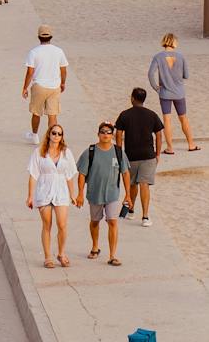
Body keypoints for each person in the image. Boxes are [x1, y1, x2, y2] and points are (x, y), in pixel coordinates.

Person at [24, 122, 79, 268]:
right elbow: (33, 175)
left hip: (61, 191)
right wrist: (30, 196)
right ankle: (48, 257)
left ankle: (61, 253)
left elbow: (69, 175)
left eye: (59, 134)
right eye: (54, 133)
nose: (56, 136)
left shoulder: (67, 152)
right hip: (44, 190)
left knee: (62, 224)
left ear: (62, 137)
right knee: (47, 224)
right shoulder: (39, 152)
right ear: (49, 134)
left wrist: (73, 194)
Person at [113, 87, 166, 226]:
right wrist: (158, 153)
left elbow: (118, 133)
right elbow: (159, 134)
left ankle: (131, 210)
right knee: (144, 185)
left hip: (130, 155)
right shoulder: (152, 114)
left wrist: (119, 152)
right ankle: (145, 217)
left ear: (132, 98)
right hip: (148, 155)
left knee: (132, 184)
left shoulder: (125, 114)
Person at [79, 122, 127, 265]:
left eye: (108, 132)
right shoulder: (90, 151)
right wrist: (80, 194)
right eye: (103, 132)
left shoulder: (118, 152)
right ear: (98, 134)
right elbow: (82, 174)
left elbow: (125, 173)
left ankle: (112, 255)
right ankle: (95, 246)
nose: (106, 135)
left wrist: (128, 195)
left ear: (112, 135)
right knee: (95, 222)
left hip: (112, 194)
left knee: (112, 222)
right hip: (94, 194)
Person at [147, 33, 198, 152]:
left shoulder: (158, 57)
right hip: (179, 92)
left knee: (167, 120)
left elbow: (150, 74)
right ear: (174, 42)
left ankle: (170, 147)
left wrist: (156, 87)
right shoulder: (180, 56)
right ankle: (191, 144)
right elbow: (186, 75)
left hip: (165, 93)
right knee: (183, 118)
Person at [21, 24, 68, 143]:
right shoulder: (58, 51)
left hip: (39, 86)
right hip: (55, 86)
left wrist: (25, 88)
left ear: (38, 37)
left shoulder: (34, 52)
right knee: (52, 114)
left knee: (36, 112)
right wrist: (62, 83)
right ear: (51, 37)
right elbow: (63, 69)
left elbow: (30, 72)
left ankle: (34, 135)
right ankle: (54, 138)